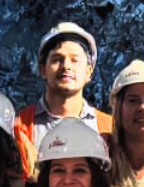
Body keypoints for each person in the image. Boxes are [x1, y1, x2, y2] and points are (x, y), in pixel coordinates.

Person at [16, 22, 111, 169]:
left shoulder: (109, 128)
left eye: (75, 60)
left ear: (89, 72)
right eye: (57, 60)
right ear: (42, 69)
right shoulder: (20, 126)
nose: (66, 66)